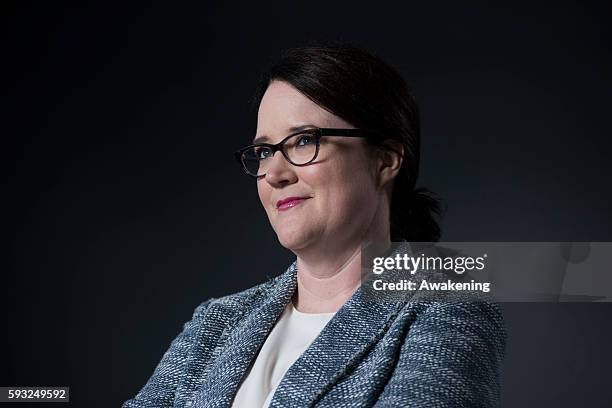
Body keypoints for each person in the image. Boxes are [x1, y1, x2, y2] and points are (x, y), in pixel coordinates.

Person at [122, 42, 505, 408]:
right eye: (264, 151)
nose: (274, 173)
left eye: (303, 141)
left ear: (386, 160)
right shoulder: (217, 320)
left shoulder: (449, 301)